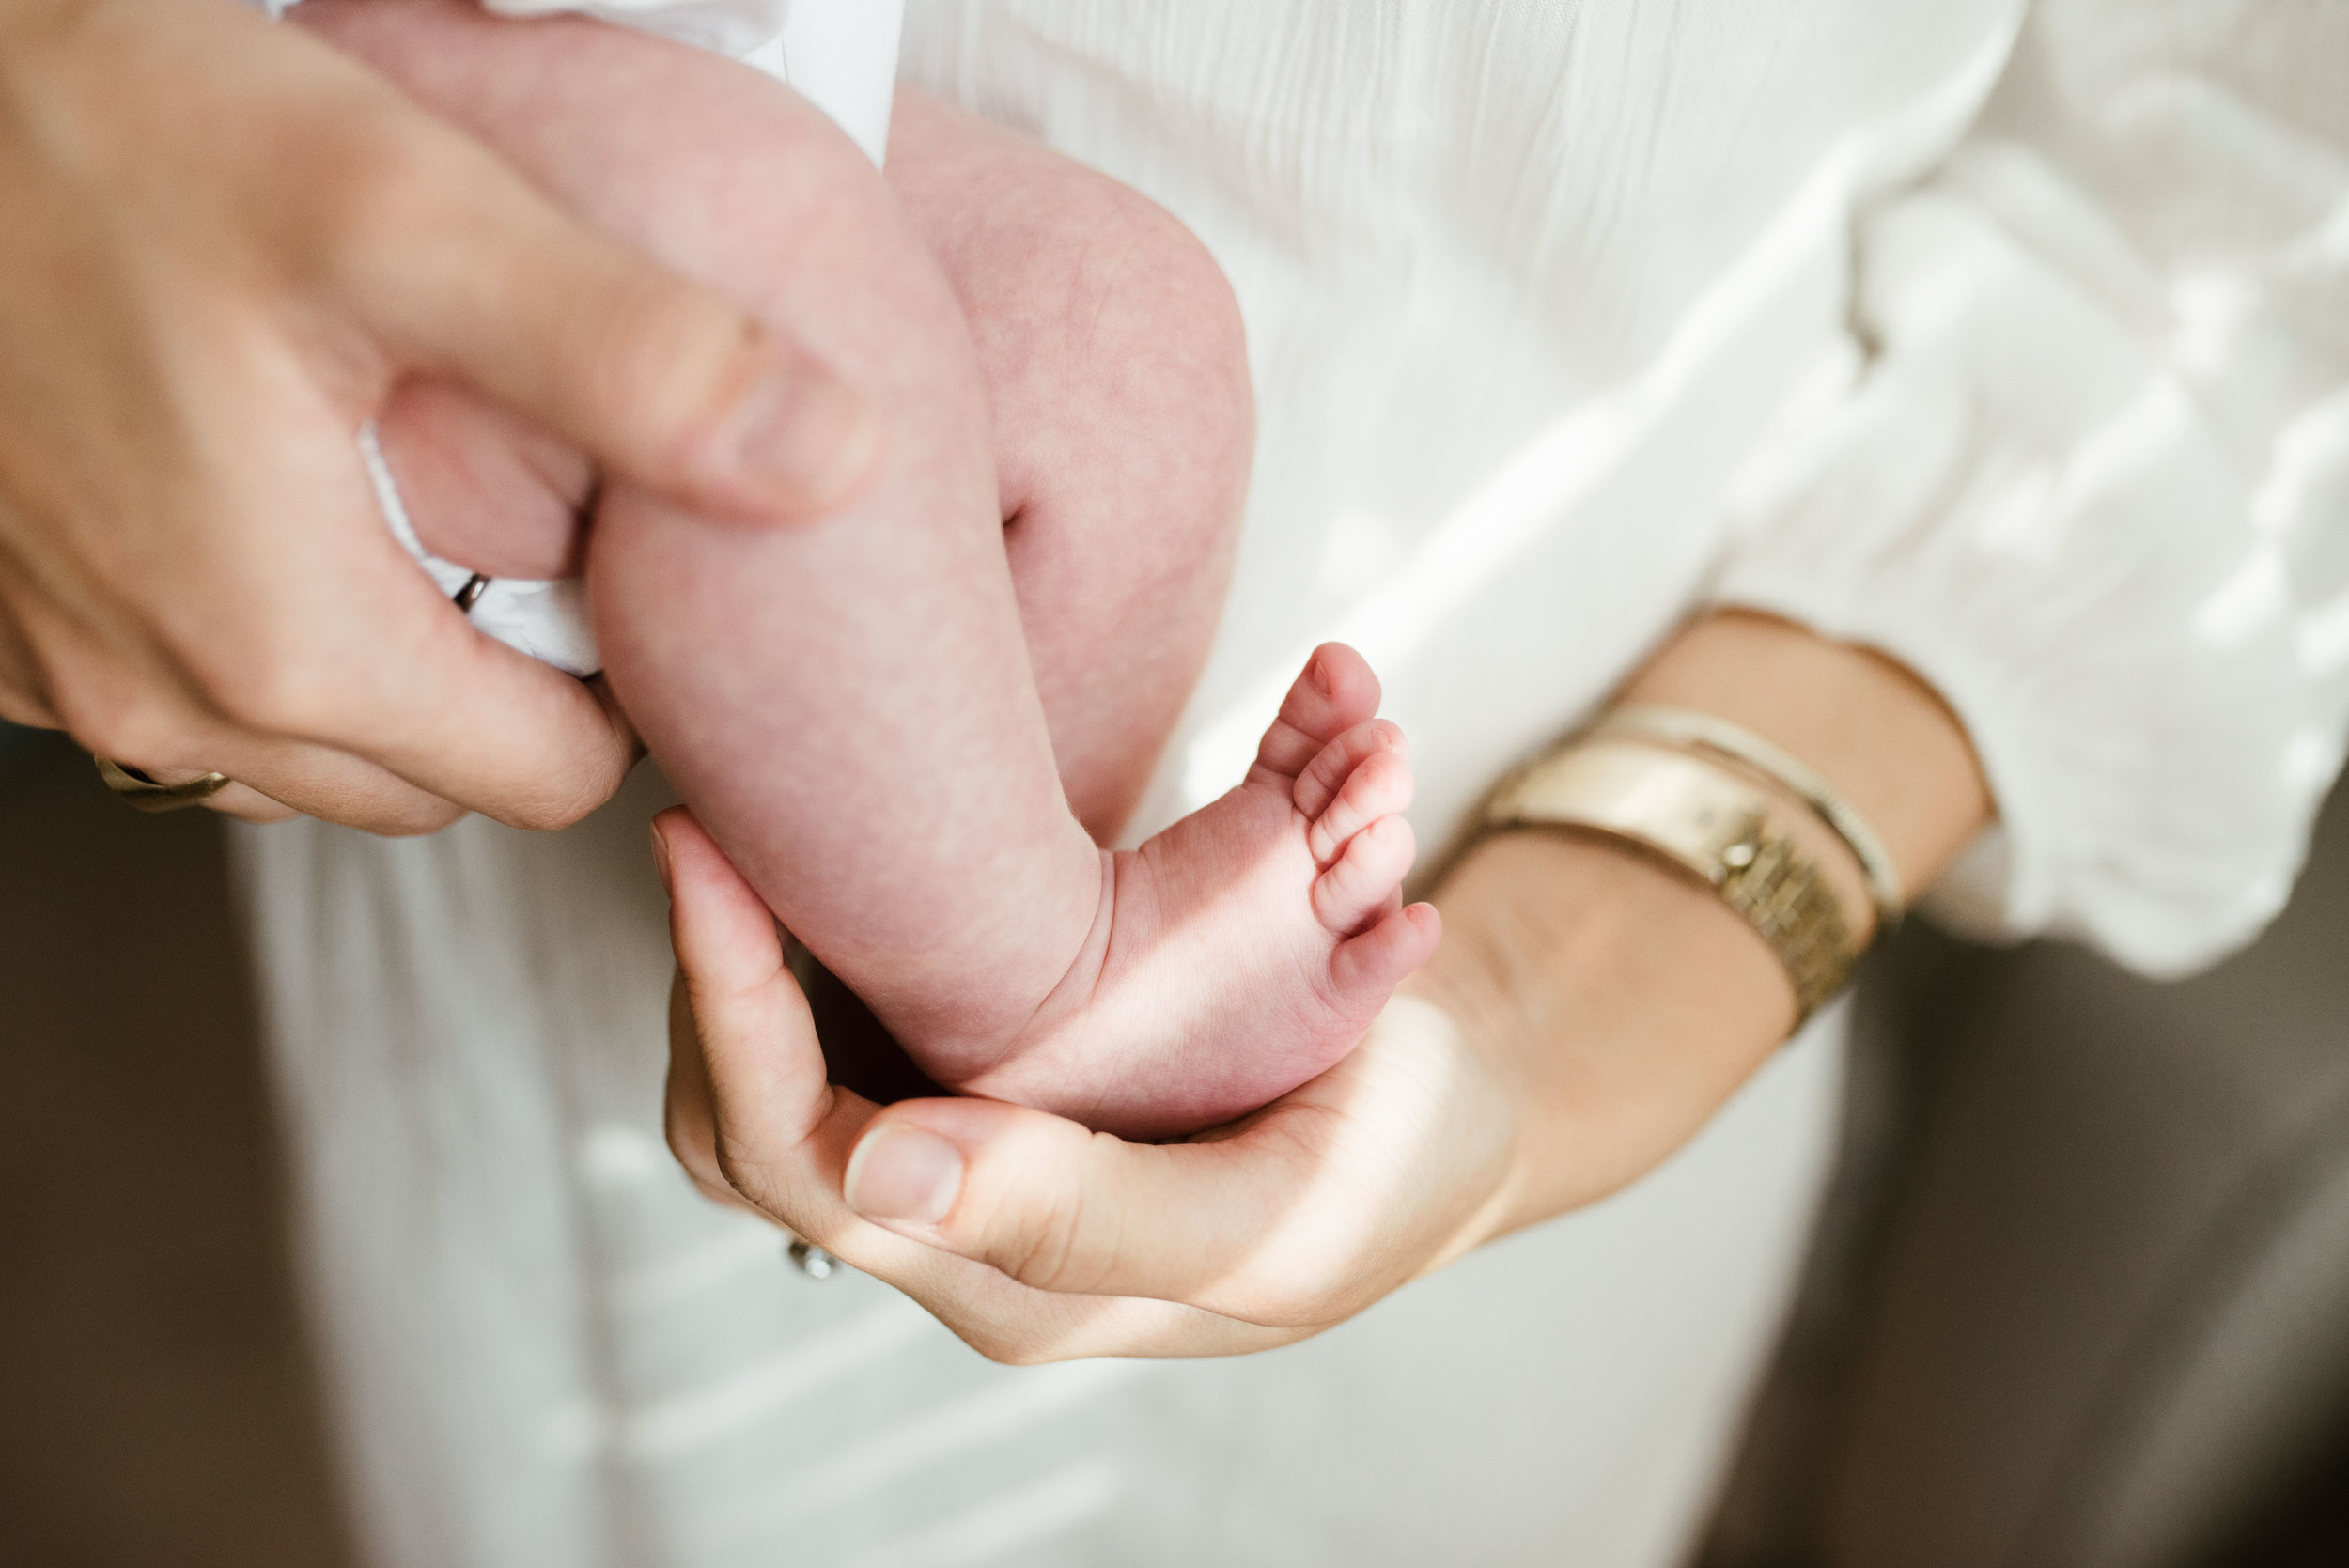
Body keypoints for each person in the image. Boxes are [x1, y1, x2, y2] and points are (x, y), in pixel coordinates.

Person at [7, 1, 2345, 1565]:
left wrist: (1562, 1010)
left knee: (1104, 348)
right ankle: (1027, 962)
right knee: (763, 327)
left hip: (1527, 1081)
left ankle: (1029, 932)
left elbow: (2250, 256)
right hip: (405, 153)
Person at [300, 0, 1437, 1139]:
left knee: (1116, 345)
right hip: (341, 138)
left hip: (712, 69)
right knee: (781, 344)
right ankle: (1041, 990)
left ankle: (943, 948)